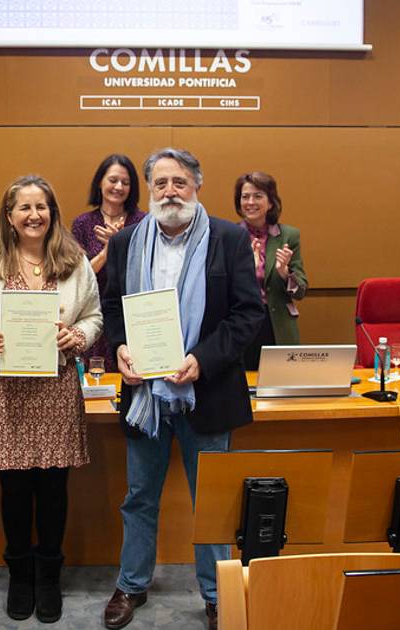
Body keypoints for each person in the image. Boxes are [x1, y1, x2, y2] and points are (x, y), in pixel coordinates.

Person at [100, 148, 264, 630]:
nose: (170, 191)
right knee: (139, 496)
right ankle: (131, 585)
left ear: (197, 186)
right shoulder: (128, 241)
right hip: (144, 396)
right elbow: (113, 306)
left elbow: (248, 314)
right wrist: (122, 349)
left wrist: (202, 361)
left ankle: (217, 594)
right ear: (149, 190)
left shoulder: (228, 238)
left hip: (207, 394)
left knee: (211, 501)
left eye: (180, 182)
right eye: (161, 184)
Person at [0, 175, 102, 623]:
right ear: (9, 217)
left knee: (52, 489)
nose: (34, 215)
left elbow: (95, 316)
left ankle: (49, 575)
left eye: (41, 206)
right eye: (24, 208)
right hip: (8, 390)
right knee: (13, 488)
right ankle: (19, 575)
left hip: (56, 388)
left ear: (53, 213)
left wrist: (78, 335)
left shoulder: (75, 261)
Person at [71, 154, 146, 371]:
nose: (119, 187)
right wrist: (108, 251)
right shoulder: (83, 223)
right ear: (100, 182)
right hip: (92, 313)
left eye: (126, 182)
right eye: (113, 180)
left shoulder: (143, 222)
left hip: (130, 315)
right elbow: (78, 277)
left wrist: (123, 247)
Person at [234, 171, 309, 370]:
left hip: (277, 324)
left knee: (282, 385)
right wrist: (246, 270)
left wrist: (285, 273)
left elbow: (301, 291)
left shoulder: (288, 236)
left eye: (258, 196)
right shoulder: (229, 236)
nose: (250, 202)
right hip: (243, 323)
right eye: (245, 196)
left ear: (270, 202)